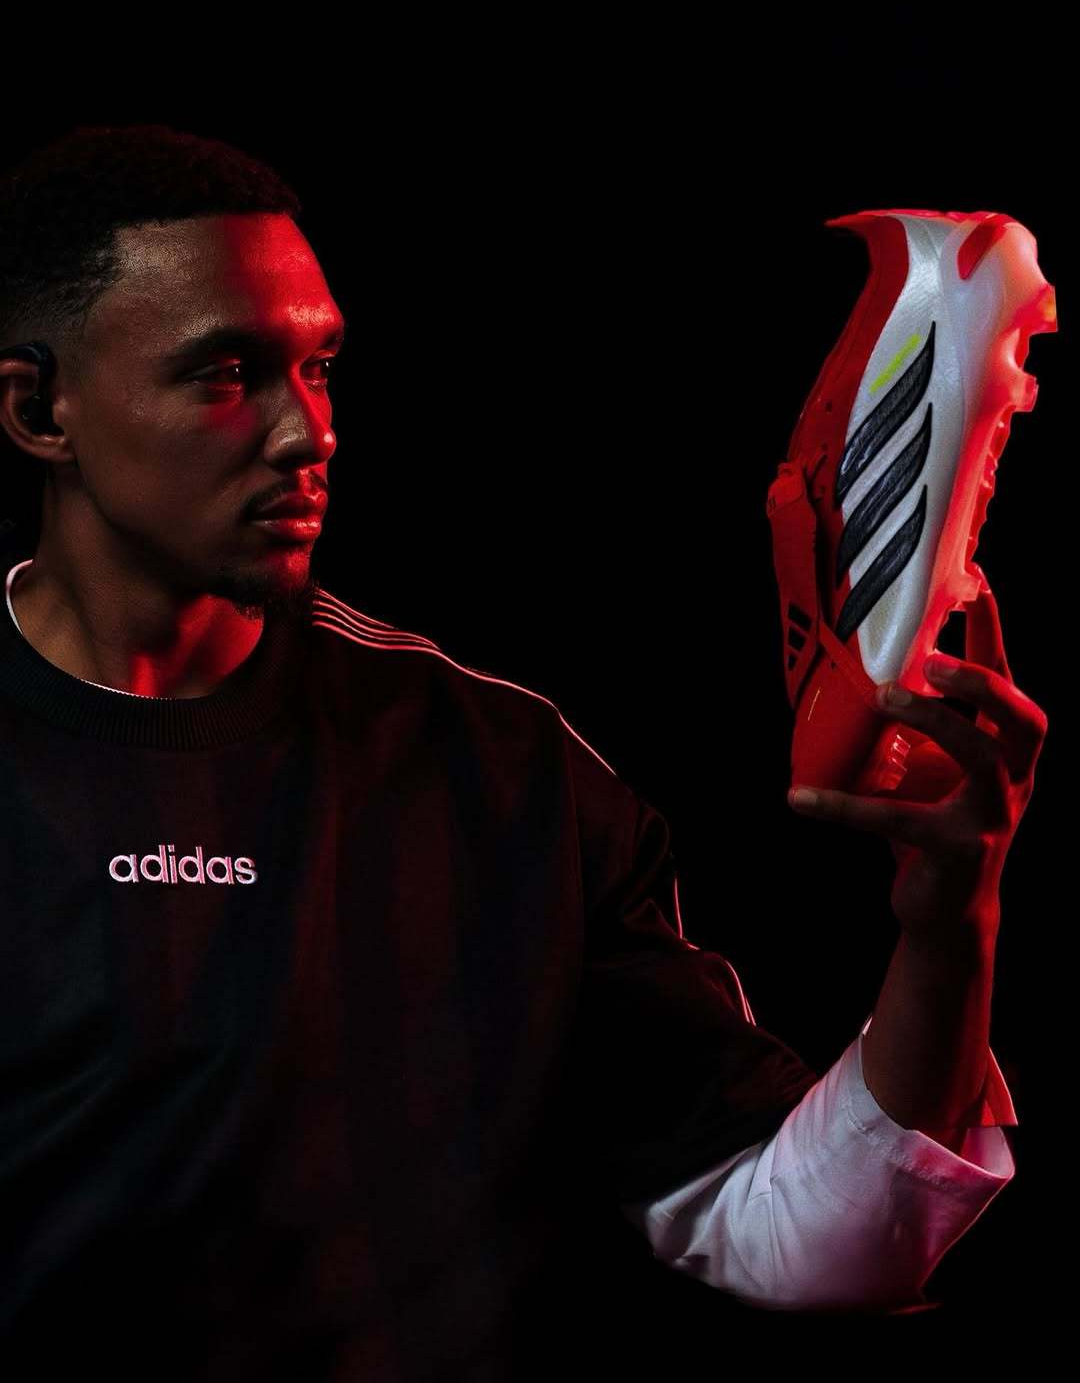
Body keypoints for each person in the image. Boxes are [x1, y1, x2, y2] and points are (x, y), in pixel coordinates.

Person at [0, 124, 1037, 1380]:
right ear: (39, 410)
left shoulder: (499, 769)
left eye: (320, 369)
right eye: (226, 374)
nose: (308, 433)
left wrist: (951, 921)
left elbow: (808, 1243)